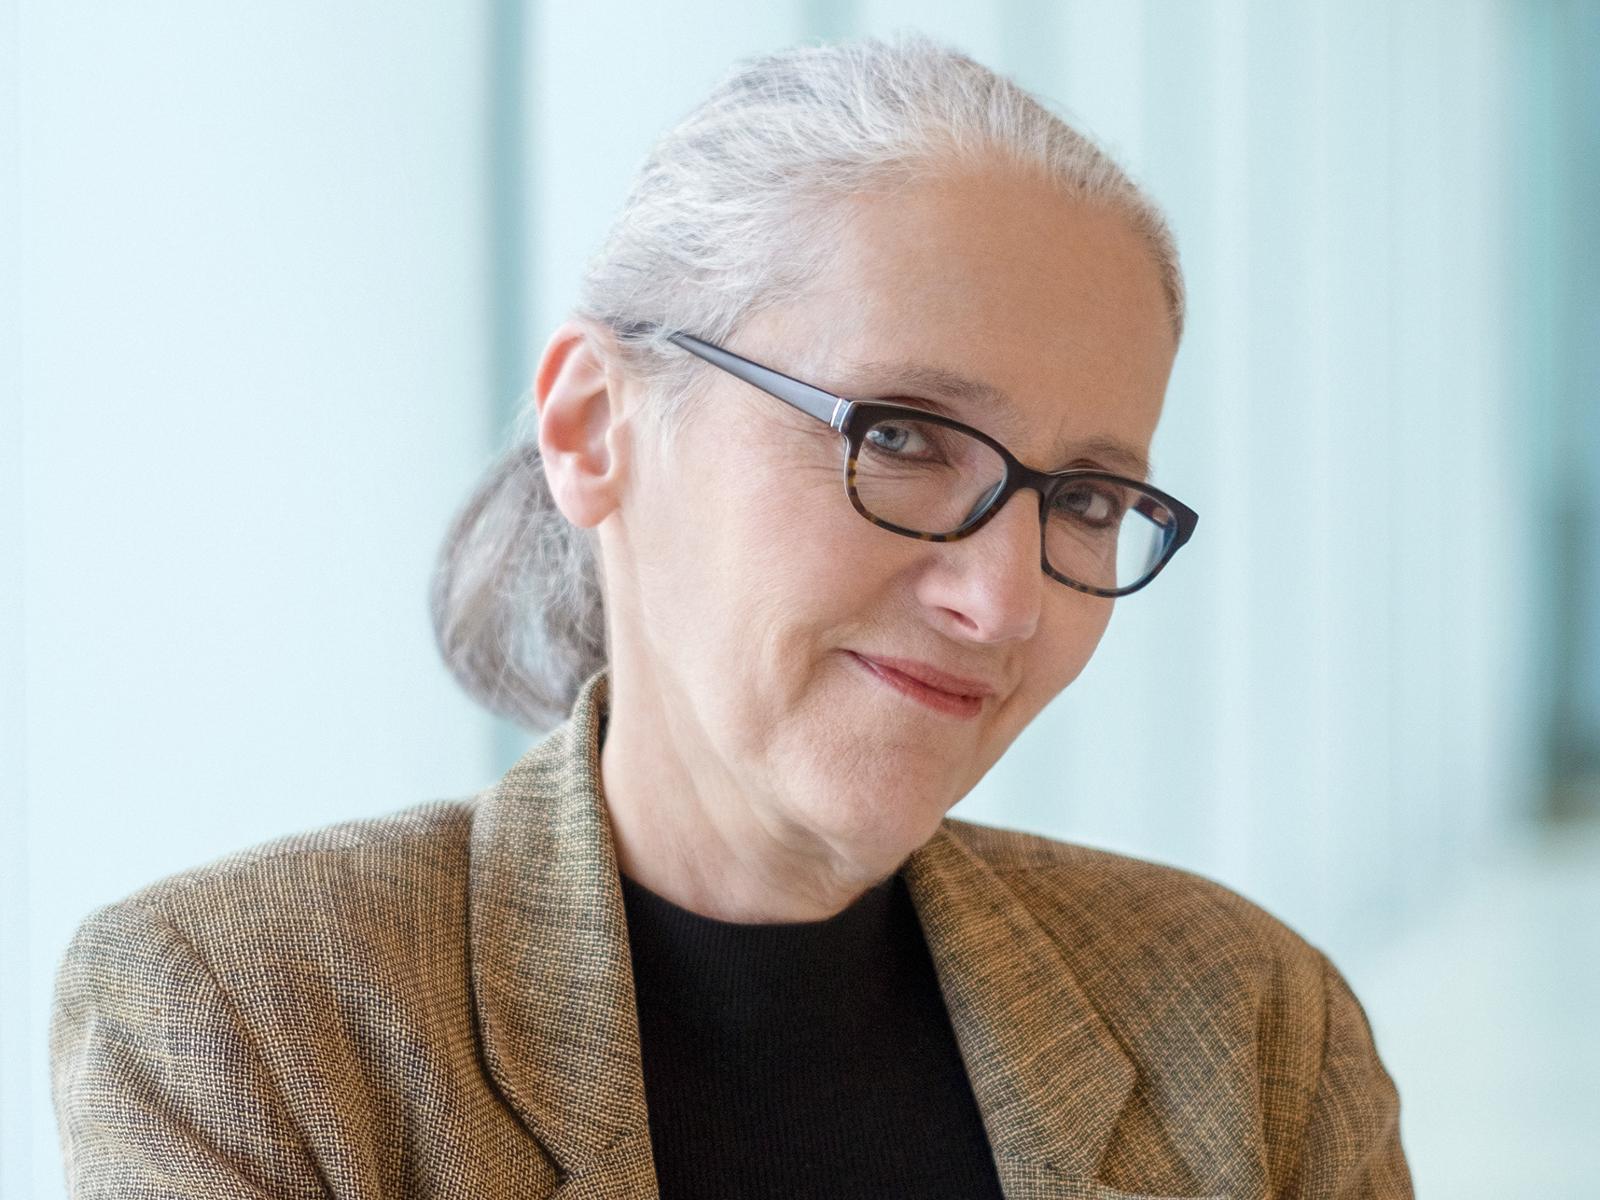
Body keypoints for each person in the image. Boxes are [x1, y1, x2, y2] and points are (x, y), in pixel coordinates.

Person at [49, 31, 1413, 1200]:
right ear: (594, 429)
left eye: (1093, 502)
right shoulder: (241, 1019)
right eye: (902, 436)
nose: (1001, 601)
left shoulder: (1248, 1025)